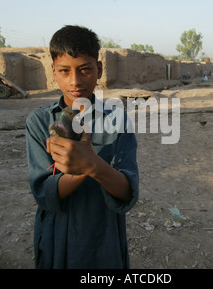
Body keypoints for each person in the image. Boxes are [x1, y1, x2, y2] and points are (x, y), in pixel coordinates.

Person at [25, 25, 139, 269]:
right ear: (53, 71)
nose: (75, 81)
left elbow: (127, 192)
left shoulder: (117, 120)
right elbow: (43, 193)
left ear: (99, 70)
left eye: (85, 70)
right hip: (59, 234)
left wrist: (92, 165)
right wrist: (83, 169)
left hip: (104, 233)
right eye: (65, 71)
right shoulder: (39, 122)